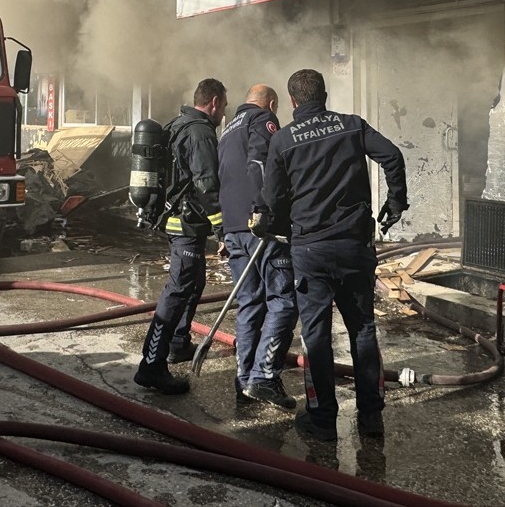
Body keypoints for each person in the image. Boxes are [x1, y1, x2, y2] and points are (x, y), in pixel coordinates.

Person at [259, 68, 407, 442]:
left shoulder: (284, 140)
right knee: (362, 330)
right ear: (324, 95)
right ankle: (371, 417)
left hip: (310, 250)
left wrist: (268, 222)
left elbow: (273, 201)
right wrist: (396, 202)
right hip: (355, 246)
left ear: (293, 102)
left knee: (316, 336)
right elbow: (391, 156)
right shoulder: (351, 125)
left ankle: (323, 418)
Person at [134, 78, 226, 395]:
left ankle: (178, 343)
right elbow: (207, 183)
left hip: (177, 221)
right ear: (214, 102)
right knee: (178, 291)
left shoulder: (178, 123)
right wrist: (223, 228)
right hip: (186, 224)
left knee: (194, 281)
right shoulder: (200, 132)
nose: (223, 113)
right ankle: (151, 365)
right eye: (223, 106)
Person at [216, 84, 297, 410]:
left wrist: (223, 231)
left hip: (233, 229)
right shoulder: (263, 119)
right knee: (283, 301)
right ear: (272, 104)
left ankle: (245, 380)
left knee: (250, 303)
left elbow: (221, 176)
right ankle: (264, 377)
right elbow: (260, 163)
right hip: (259, 227)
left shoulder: (226, 131)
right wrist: (263, 209)